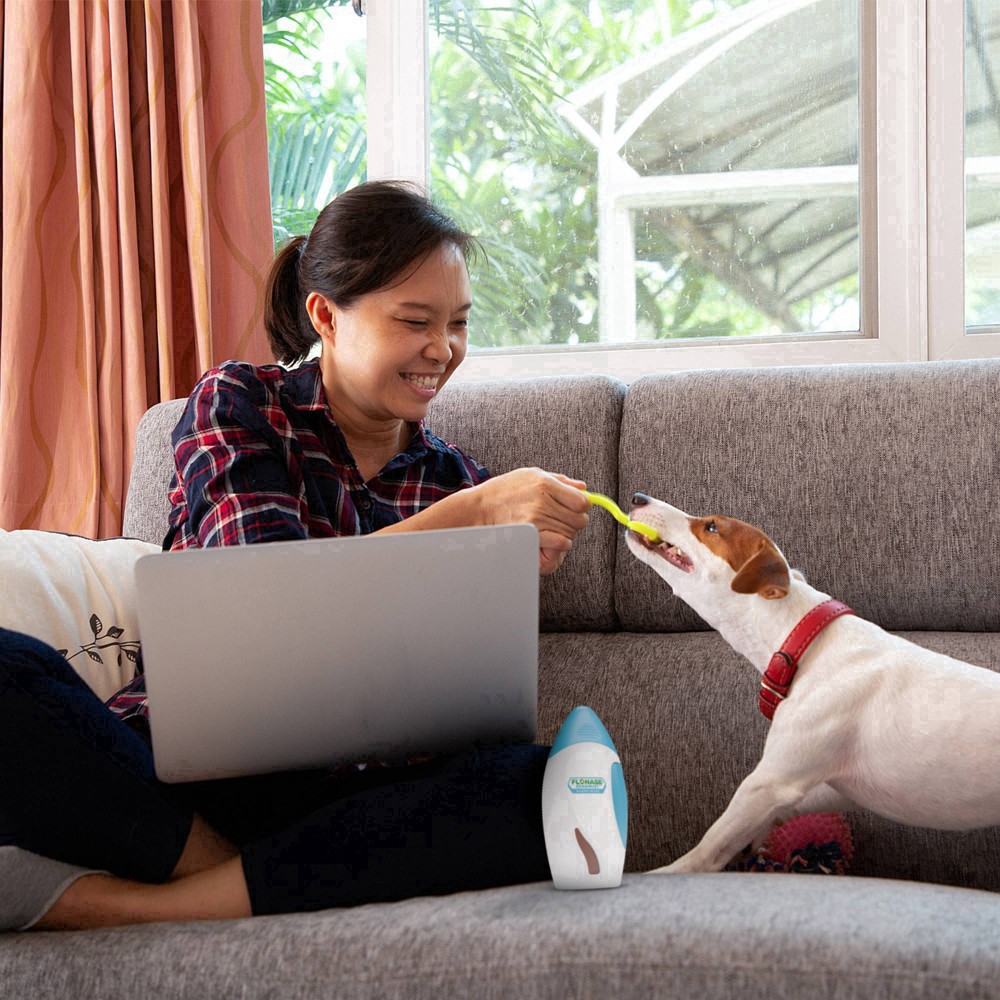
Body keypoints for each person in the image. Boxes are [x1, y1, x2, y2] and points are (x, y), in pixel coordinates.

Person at [0, 180, 592, 931]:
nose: (443, 350)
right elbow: (261, 596)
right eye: (415, 321)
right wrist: (470, 518)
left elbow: (465, 709)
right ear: (325, 316)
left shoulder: (456, 479)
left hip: (358, 794)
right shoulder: (240, 407)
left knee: (542, 786)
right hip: (197, 780)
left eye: (459, 324)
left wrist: (500, 555)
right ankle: (264, 882)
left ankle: (145, 906)